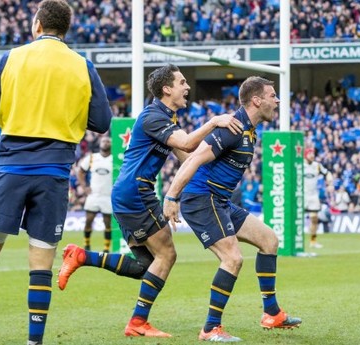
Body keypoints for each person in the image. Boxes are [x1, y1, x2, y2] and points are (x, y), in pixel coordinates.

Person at [0, 1, 113, 344]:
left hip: (11, 166)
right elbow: (102, 123)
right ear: (65, 29)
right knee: (41, 262)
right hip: (54, 172)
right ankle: (34, 341)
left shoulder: (12, 57)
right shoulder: (83, 66)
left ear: (37, 24)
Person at [57, 64, 243, 338]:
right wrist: (214, 122)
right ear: (167, 89)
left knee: (145, 265)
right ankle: (137, 322)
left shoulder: (164, 120)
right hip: (136, 193)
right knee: (167, 254)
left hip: (131, 193)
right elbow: (189, 145)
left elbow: (188, 159)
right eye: (181, 82)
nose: (187, 87)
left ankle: (82, 255)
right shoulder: (153, 117)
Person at [163, 76, 301, 342]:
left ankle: (271, 313)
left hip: (220, 201)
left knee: (269, 240)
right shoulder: (231, 129)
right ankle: (210, 328)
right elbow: (193, 160)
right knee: (233, 259)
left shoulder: (249, 129)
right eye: (273, 96)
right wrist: (171, 197)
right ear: (257, 100)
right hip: (202, 199)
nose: (278, 101)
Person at [77, 136, 113, 252]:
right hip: (94, 195)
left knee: (108, 223)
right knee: (88, 221)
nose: (105, 142)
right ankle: (86, 245)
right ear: (100, 143)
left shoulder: (114, 159)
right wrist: (84, 187)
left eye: (107, 141)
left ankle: (106, 249)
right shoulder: (92, 157)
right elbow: (80, 171)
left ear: (111, 144)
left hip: (108, 195)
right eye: (103, 140)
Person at [303, 147, 328, 248]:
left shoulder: (317, 165)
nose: (312, 155)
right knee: (298, 219)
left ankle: (313, 241)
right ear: (306, 155)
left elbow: (327, 173)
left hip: (313, 195)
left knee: (314, 218)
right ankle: (295, 241)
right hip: (302, 194)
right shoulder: (300, 165)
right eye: (310, 153)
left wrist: (330, 181)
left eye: (313, 153)